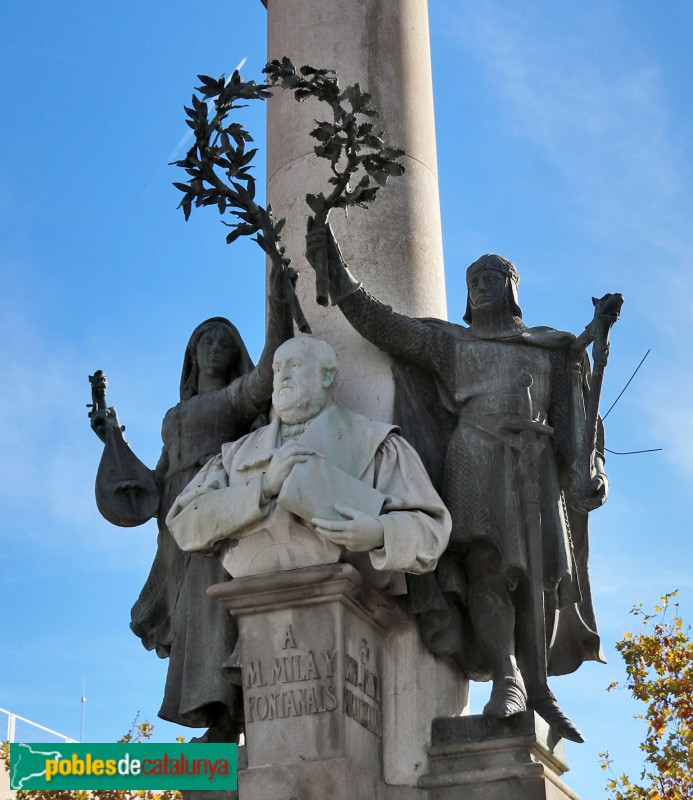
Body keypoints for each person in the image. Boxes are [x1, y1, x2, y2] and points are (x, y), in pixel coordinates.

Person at [304, 227, 609, 743]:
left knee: (536, 580)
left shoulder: (550, 348)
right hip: (474, 456)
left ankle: (539, 687)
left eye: (491, 278)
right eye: (473, 281)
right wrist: (337, 270)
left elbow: (576, 430)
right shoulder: (451, 343)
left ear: (512, 288)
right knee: (484, 566)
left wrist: (592, 471)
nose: (481, 287)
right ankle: (507, 678)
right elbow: (383, 325)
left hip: (533, 466)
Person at [89, 269, 293, 742]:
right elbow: (156, 480)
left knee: (213, 611)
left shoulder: (233, 398)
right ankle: (215, 716)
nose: (215, 348)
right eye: (207, 340)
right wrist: (113, 440)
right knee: (187, 618)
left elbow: (269, 372)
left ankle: (225, 719)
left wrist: (278, 302)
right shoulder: (174, 415)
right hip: (173, 524)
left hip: (214, 512)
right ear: (192, 353)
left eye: (225, 342)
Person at [166, 337, 451, 585]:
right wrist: (263, 487)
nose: (283, 376)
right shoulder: (236, 454)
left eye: (295, 365)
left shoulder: (376, 443)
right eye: (277, 368)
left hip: (352, 602)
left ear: (326, 377)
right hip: (250, 597)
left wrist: (380, 534)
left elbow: (432, 531)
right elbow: (184, 522)